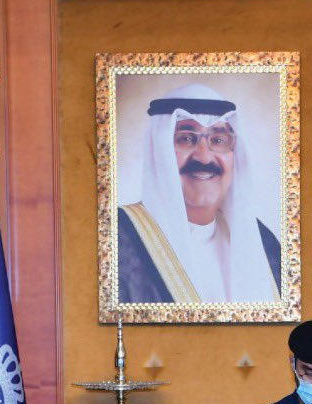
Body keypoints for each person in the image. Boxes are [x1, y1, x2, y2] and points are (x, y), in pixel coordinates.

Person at [118, 82, 281, 304]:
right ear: (159, 150)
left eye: (218, 140)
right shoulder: (118, 237)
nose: (204, 157)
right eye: (186, 138)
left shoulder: (263, 242)